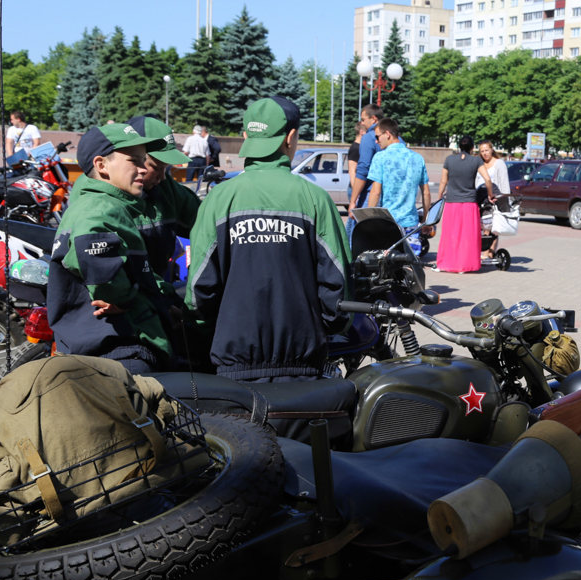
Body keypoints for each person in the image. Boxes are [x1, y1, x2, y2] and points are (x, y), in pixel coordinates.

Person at [186, 96, 352, 382]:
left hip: (234, 359)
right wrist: (329, 328)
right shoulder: (315, 198)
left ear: (246, 136)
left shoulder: (218, 198)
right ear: (290, 137)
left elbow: (199, 290)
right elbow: (337, 286)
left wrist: (212, 328)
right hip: (302, 360)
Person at [46, 123, 175, 374]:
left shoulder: (100, 204)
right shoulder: (101, 208)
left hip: (105, 345)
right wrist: (121, 297)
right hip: (119, 348)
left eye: (143, 161)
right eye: (134, 161)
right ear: (101, 165)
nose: (142, 169)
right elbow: (99, 266)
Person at [125, 115, 200, 281]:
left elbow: (204, 221)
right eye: (157, 167)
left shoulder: (167, 188)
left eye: (166, 168)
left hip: (157, 287)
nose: (163, 176)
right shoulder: (100, 197)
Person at [436, 135, 494, 274]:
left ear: (459, 146)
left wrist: (439, 196)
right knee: (468, 235)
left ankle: (446, 263)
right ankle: (465, 265)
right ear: (472, 147)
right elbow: (487, 179)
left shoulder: (449, 160)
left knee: (450, 234)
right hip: (469, 203)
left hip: (451, 203)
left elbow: (443, 181)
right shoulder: (476, 160)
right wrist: (490, 194)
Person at [367, 118, 430, 233]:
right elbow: (426, 192)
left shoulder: (380, 157)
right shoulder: (418, 158)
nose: (376, 141)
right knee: (411, 246)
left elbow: (375, 192)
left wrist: (368, 220)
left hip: (388, 223)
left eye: (377, 137)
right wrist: (426, 220)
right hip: (411, 224)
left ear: (387, 134)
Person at [475, 140, 510, 259]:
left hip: (494, 199)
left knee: (491, 227)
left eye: (486, 150)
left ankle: (489, 253)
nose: (485, 153)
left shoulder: (499, 163)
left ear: (491, 150)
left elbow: (504, 183)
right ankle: (483, 252)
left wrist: (505, 201)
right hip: (480, 198)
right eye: (482, 151)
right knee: (482, 225)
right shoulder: (479, 163)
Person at [347, 103, 383, 215]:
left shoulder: (369, 137)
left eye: (363, 120)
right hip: (392, 196)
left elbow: (363, 169)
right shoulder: (397, 139)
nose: (362, 123)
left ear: (373, 119)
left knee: (362, 225)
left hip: (370, 194)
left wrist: (353, 201)